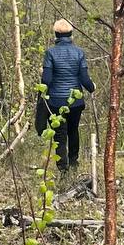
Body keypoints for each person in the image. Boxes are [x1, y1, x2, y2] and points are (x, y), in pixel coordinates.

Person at [40, 18, 95, 175]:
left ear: (56, 34)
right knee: (73, 131)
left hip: (56, 102)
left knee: (59, 134)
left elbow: (47, 80)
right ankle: (73, 163)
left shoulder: (50, 53)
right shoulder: (79, 53)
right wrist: (92, 88)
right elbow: (85, 79)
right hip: (75, 102)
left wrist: (43, 73)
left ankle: (62, 169)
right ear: (71, 35)